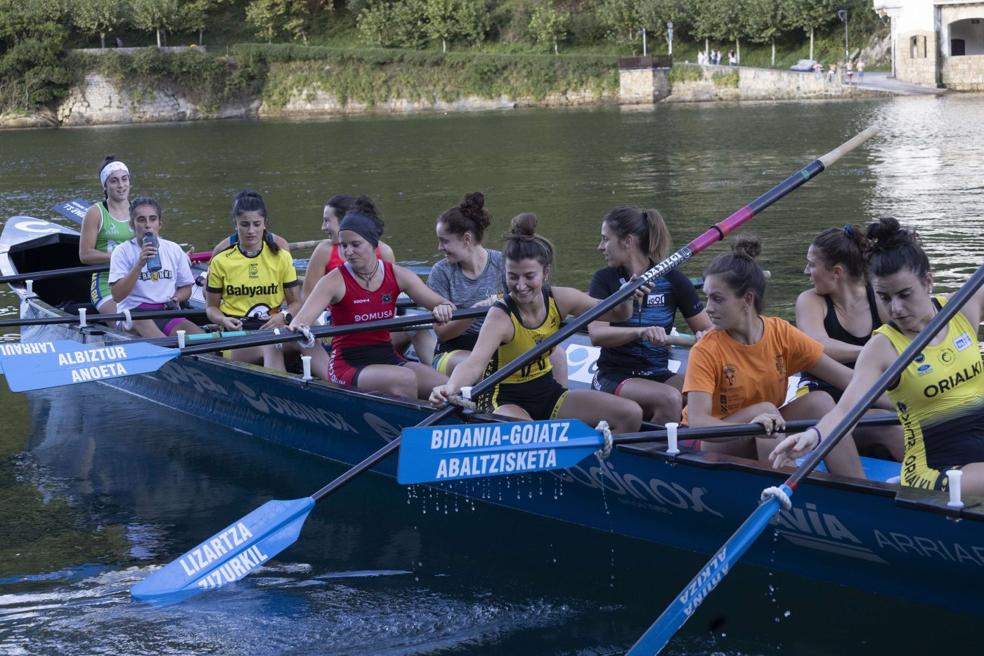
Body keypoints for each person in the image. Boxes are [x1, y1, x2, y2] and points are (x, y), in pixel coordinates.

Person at [771, 218, 984, 493]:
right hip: (936, 472)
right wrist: (813, 434)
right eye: (884, 297)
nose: (895, 308)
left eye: (905, 294)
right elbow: (846, 411)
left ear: (928, 281)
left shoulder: (964, 308)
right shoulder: (881, 347)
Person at [429, 213, 644, 434]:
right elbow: (474, 364)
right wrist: (449, 387)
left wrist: (627, 296)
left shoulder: (562, 299)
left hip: (547, 392)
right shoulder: (500, 316)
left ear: (545, 273)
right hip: (502, 398)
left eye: (529, 276)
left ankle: (594, 467)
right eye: (512, 277)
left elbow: (618, 314)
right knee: (535, 434)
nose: (520, 286)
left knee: (631, 413)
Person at [682, 235, 870, 477]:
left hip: (761, 428)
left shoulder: (781, 333)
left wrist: (904, 396)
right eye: (707, 297)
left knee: (821, 401)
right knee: (767, 413)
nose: (708, 308)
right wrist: (748, 426)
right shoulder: (705, 350)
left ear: (747, 299)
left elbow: (851, 380)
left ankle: (857, 487)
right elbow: (698, 423)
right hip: (706, 442)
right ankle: (790, 500)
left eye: (717, 299)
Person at [290, 207, 454, 400]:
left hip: (387, 357)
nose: (349, 252)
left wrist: (443, 307)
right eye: (343, 245)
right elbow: (298, 323)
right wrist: (302, 331)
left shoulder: (398, 274)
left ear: (374, 244)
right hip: (348, 365)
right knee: (405, 379)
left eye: (355, 244)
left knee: (448, 387)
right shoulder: (334, 280)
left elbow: (440, 303)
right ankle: (404, 428)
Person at [588, 207, 711, 424]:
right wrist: (641, 332)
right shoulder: (604, 279)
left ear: (627, 241)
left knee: (707, 391)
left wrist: (707, 340)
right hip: (614, 375)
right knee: (670, 399)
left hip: (658, 373)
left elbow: (709, 331)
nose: (600, 247)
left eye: (605, 239)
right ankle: (656, 453)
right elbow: (597, 334)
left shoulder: (674, 280)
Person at [427, 192, 567, 381]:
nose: (439, 247)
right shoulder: (441, 272)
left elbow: (532, 301)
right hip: (455, 349)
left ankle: (555, 405)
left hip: (503, 343)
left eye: (444, 241)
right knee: (484, 366)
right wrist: (477, 310)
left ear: (467, 239)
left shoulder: (503, 263)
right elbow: (442, 333)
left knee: (557, 355)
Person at [796, 225, 903, 460]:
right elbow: (816, 344)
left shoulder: (878, 298)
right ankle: (934, 491)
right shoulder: (810, 300)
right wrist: (871, 352)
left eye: (812, 264)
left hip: (871, 397)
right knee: (891, 427)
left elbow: (905, 343)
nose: (806, 271)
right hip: (827, 403)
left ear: (836, 272)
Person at [302, 194, 434, 366]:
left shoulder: (385, 252)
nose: (323, 227)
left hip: (376, 327)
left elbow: (388, 294)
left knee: (418, 327)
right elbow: (306, 300)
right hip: (338, 329)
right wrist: (315, 333)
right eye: (345, 246)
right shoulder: (324, 251)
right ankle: (332, 372)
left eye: (327, 221)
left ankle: (442, 379)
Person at [206, 190, 329, 373]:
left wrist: (284, 316)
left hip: (275, 326)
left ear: (265, 224)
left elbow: (296, 302)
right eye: (244, 225)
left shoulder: (281, 257)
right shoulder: (221, 260)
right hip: (237, 335)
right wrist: (223, 319)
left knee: (306, 338)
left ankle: (342, 388)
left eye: (257, 224)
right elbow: (211, 308)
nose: (251, 231)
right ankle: (281, 398)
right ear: (236, 225)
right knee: (272, 345)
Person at [109, 197, 202, 338]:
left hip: (165, 311)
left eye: (152, 219)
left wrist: (177, 298)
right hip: (134, 315)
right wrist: (139, 264)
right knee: (145, 325)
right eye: (141, 220)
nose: (148, 225)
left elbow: (186, 288)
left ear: (160, 224)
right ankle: (171, 353)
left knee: (198, 336)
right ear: (132, 225)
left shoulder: (174, 249)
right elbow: (117, 296)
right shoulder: (122, 251)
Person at [80, 155, 135, 314]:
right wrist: (119, 256)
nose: (121, 185)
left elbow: (155, 243)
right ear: (105, 186)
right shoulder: (95, 213)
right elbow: (85, 255)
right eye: (114, 181)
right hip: (105, 282)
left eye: (124, 179)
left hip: (136, 280)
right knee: (130, 324)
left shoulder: (139, 210)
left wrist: (178, 256)